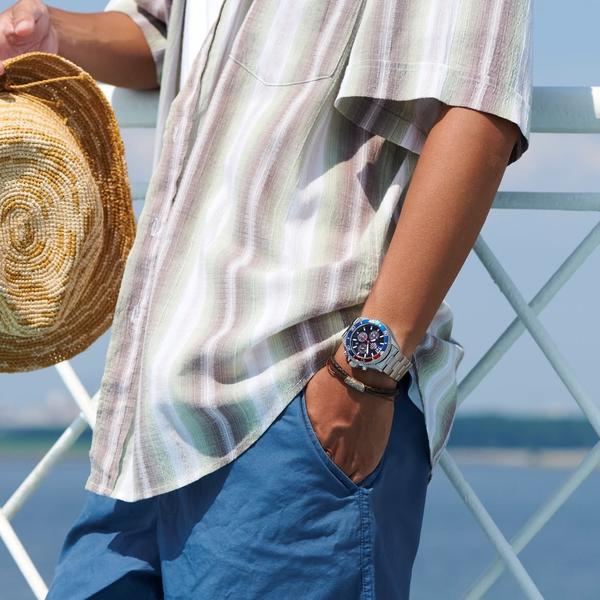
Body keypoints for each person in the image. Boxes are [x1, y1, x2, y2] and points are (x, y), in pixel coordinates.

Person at [0, 0, 533, 597]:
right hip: (146, 425)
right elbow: (160, 30)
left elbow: (476, 110)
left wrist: (363, 377)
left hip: (291, 407)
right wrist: (55, 32)